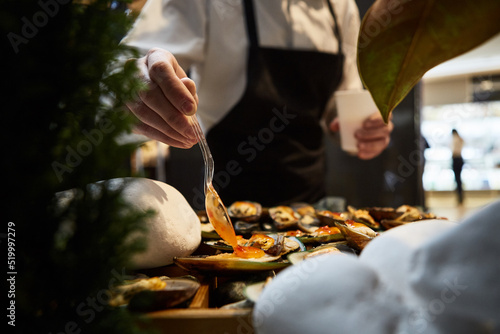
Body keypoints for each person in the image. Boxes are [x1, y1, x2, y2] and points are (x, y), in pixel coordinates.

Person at [122, 0, 393, 206]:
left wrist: (362, 130)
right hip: (226, 207)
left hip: (311, 210)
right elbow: (119, 72)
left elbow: (340, 106)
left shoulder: (340, 6)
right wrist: (134, 82)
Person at [451, 128, 465, 204]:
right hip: (460, 159)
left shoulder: (455, 139)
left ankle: (459, 197)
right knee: (459, 179)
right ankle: (460, 196)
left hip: (456, 159)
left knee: (457, 179)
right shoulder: (460, 139)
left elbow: (454, 151)